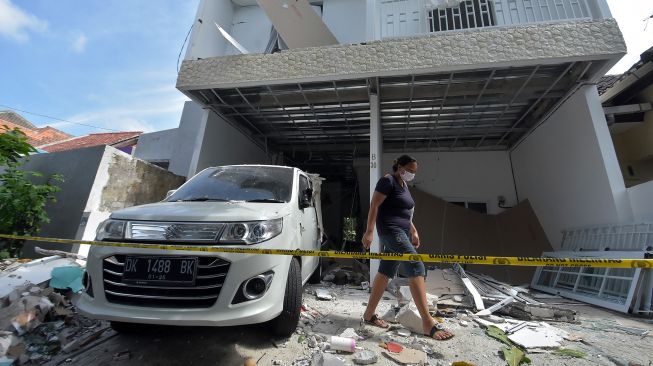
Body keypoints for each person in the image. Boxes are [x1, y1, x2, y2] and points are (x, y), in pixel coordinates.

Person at [361, 155, 454, 340]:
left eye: (414, 172)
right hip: (391, 231)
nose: (411, 174)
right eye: (409, 170)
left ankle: (368, 315)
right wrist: (369, 231)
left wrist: (414, 230)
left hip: (402, 231)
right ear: (400, 166)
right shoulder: (388, 181)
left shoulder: (404, 186)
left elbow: (404, 213)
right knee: (417, 266)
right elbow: (375, 205)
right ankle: (428, 323)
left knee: (386, 271)